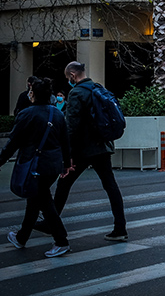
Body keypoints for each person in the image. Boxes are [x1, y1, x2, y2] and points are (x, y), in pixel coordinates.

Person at [48, 61, 128, 242]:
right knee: (110, 186)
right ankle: (120, 227)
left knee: (64, 183)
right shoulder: (98, 88)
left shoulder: (76, 93)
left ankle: (51, 222)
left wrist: (66, 154)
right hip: (103, 146)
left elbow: (71, 127)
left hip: (84, 149)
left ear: (72, 75)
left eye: (68, 77)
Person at [0, 78, 74, 258]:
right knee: (35, 201)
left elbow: (13, 143)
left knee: (44, 202)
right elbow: (65, 141)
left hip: (34, 165)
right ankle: (21, 237)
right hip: (53, 166)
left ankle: (61, 240)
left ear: (34, 94)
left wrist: (0, 160)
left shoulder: (26, 114)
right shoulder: (57, 114)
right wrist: (66, 164)